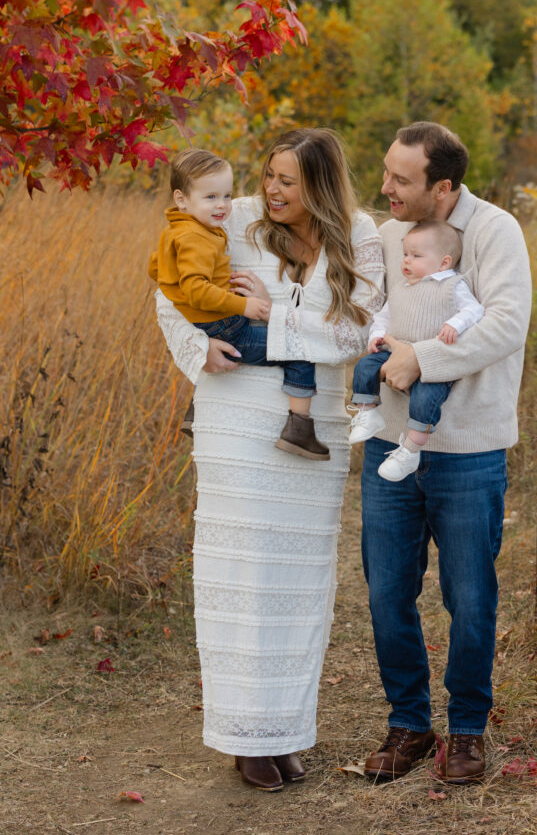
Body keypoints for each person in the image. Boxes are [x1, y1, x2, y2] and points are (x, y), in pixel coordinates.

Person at [153, 129, 384, 792]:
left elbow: (352, 331)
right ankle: (244, 736)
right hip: (234, 412)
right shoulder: (238, 217)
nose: (273, 190)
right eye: (271, 176)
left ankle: (282, 732)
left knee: (296, 582)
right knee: (240, 574)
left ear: (320, 184)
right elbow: (172, 288)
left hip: (314, 427)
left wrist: (270, 312)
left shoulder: (358, 236)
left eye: (289, 181)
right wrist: (199, 352)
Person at [360, 121, 531, 784]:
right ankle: (407, 723)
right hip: (388, 446)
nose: (386, 189)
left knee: (469, 597)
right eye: (384, 174)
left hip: (468, 450)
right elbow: (362, 310)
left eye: (400, 180)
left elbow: (505, 324)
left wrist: (419, 359)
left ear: (444, 187)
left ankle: (465, 732)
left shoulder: (493, 232)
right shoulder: (384, 235)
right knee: (386, 595)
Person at [149, 148, 330, 460]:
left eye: (227, 196)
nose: (221, 206)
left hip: (203, 321)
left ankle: (197, 410)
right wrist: (241, 306)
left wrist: (182, 292)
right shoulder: (197, 238)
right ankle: (299, 429)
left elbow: (157, 269)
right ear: (181, 199)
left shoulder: (179, 230)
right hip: (226, 323)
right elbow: (195, 289)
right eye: (210, 198)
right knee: (298, 350)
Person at [348, 220, 484, 481]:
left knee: (425, 398)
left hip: (434, 361)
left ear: (443, 263)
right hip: (395, 353)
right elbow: (383, 317)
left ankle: (410, 450)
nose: (406, 262)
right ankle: (367, 412)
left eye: (416, 256)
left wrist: (454, 324)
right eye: (405, 255)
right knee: (365, 366)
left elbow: (474, 310)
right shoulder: (402, 288)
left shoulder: (452, 285)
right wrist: (377, 335)